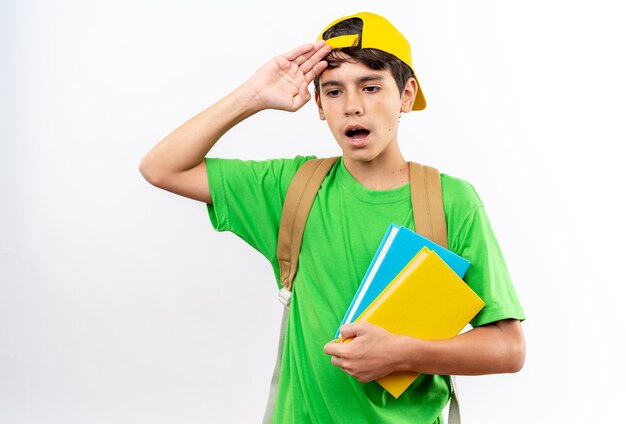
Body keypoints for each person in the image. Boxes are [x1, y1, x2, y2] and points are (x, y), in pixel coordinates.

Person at [140, 11, 526, 424]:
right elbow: (162, 168)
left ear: (407, 94)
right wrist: (254, 94)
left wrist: (402, 352)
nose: (353, 107)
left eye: (371, 87)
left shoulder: (452, 202)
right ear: (319, 105)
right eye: (334, 92)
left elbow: (508, 348)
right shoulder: (292, 188)